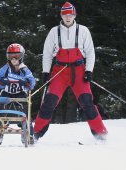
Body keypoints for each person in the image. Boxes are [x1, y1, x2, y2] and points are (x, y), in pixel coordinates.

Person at [34, 2, 108, 142]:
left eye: (71, 14)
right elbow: (47, 53)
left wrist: (89, 71)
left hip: (79, 71)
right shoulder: (54, 32)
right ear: (61, 15)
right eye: (65, 14)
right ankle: (36, 133)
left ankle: (101, 134)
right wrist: (45, 72)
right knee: (49, 102)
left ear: (75, 15)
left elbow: (90, 53)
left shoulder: (83, 30)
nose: (68, 17)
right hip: (60, 71)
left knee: (87, 102)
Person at [0, 43, 36, 144]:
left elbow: (32, 83)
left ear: (21, 57)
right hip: (7, 92)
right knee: (0, 107)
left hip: (19, 92)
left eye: (16, 56)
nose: (13, 59)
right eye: (11, 56)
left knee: (25, 109)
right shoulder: (4, 69)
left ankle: (28, 132)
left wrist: (26, 83)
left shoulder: (25, 70)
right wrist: (2, 82)